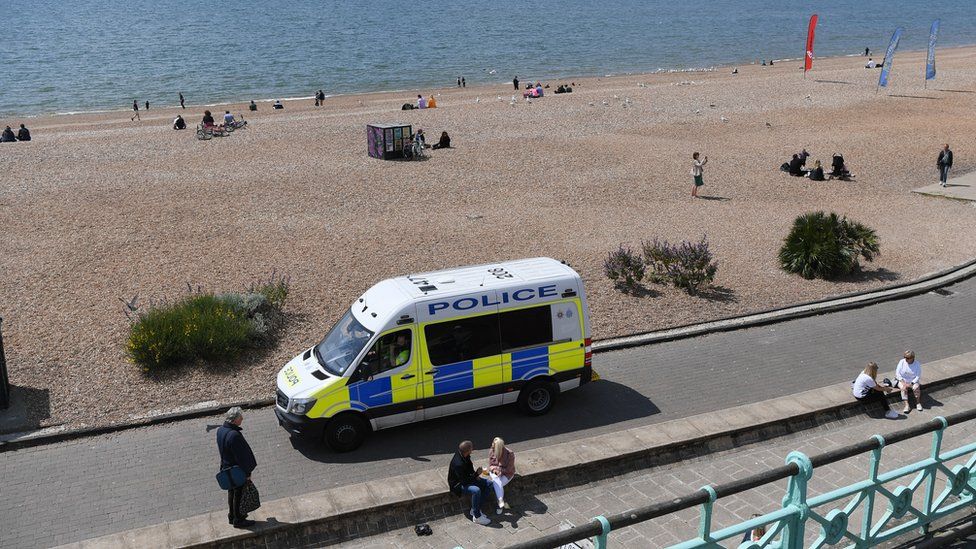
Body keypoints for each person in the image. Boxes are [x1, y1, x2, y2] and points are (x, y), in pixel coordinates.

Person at [217, 407, 257, 528]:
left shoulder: (220, 430)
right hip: (236, 470)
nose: (242, 419)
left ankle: (232, 516)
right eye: (240, 417)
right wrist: (248, 472)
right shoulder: (234, 436)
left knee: (231, 492)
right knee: (238, 494)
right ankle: (238, 520)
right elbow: (242, 456)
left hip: (226, 467)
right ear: (234, 420)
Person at [448, 441, 492, 525]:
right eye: (471, 448)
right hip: (458, 484)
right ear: (467, 451)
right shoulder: (458, 463)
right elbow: (464, 481)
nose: (473, 449)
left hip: (467, 478)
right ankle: (477, 517)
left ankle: (475, 508)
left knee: (489, 483)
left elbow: (469, 467)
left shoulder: (464, 454)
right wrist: (476, 474)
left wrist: (476, 476)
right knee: (476, 490)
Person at [487, 437, 515, 514]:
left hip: (507, 473)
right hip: (494, 472)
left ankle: (499, 502)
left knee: (497, 484)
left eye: (494, 445)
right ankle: (500, 501)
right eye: (492, 443)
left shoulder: (510, 454)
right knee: (496, 480)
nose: (492, 445)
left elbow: (509, 469)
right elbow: (490, 466)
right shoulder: (491, 450)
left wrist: (500, 470)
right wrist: (495, 470)